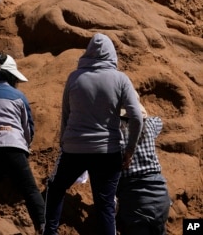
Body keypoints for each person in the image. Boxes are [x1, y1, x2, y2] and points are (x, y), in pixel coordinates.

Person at [43, 33, 144, 235]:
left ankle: (50, 232)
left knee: (55, 188)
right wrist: (130, 149)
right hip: (108, 150)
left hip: (74, 148)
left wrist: (65, 143)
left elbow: (65, 114)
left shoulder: (74, 77)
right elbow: (137, 117)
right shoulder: (120, 79)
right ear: (112, 54)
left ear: (88, 53)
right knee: (105, 204)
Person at [0, 52, 45, 234]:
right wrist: (25, 147)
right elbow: (28, 128)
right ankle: (45, 227)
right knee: (30, 191)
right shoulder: (18, 96)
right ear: (12, 77)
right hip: (12, 148)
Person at [117, 105, 171, 234]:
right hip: (161, 196)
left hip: (134, 199)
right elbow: (158, 121)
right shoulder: (150, 125)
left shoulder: (115, 133)